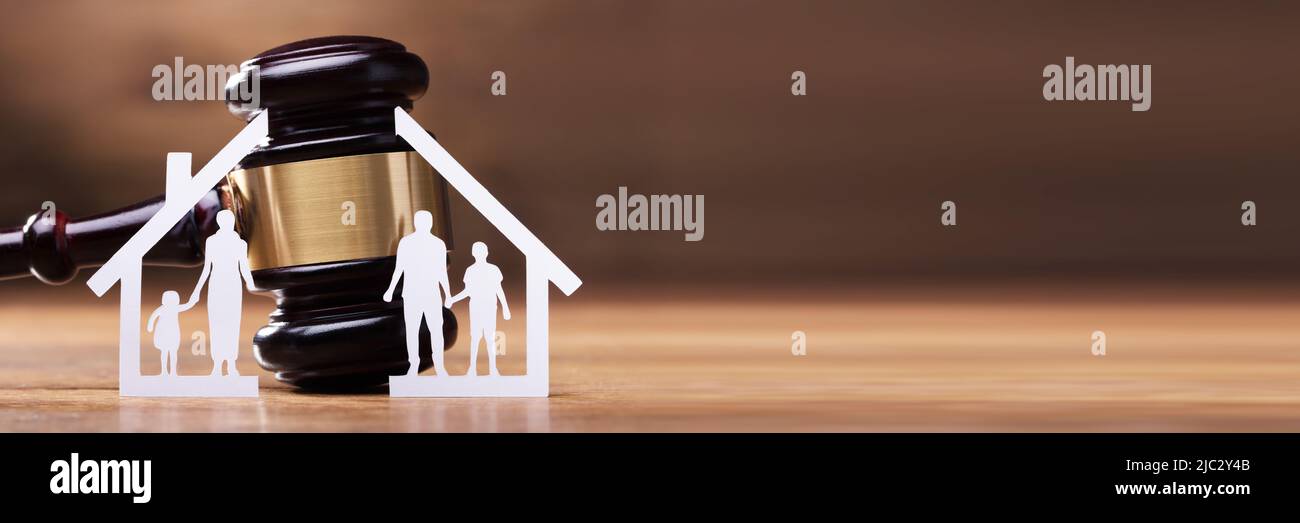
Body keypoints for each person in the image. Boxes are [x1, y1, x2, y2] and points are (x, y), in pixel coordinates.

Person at [186, 210, 257, 377]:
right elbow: (207, 269)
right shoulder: (212, 242)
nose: (227, 224)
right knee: (217, 324)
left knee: (232, 324)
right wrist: (196, 291)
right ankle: (217, 365)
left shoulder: (240, 244)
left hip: (233, 285)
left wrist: (251, 283)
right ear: (219, 223)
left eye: (229, 221)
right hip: (216, 285)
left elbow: (244, 267)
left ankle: (231, 364)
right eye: (224, 221)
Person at [383, 210, 452, 376]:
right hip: (412, 293)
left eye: (425, 220)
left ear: (430, 223)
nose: (423, 223)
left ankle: (440, 365)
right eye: (420, 221)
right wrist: (390, 290)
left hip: (431, 293)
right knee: (412, 330)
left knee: (436, 329)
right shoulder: (406, 243)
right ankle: (413, 364)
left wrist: (448, 294)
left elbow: (442, 272)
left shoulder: (438, 244)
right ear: (416, 223)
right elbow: (399, 269)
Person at [447, 242, 510, 377]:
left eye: (482, 251)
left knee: (490, 338)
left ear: (486, 253)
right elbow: (468, 291)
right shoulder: (470, 271)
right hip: (476, 307)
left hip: (489, 307)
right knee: (475, 338)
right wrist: (453, 299)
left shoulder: (493, 270)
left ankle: (493, 369)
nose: (479, 254)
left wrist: (505, 307)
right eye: (477, 251)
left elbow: (498, 289)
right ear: (473, 254)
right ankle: (472, 368)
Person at [146, 290, 194, 377]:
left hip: (172, 334)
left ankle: (172, 372)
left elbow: (188, 305)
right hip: (165, 333)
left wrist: (193, 300)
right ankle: (165, 371)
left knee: (171, 352)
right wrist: (150, 326)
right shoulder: (165, 309)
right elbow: (153, 317)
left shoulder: (172, 308)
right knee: (168, 352)